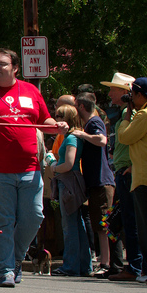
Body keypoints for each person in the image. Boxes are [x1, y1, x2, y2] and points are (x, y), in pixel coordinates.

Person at [0, 48, 65, 288]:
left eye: (3, 64)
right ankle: (5, 269)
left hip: (29, 168)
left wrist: (56, 125)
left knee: (34, 215)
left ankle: (16, 258)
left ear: (15, 68)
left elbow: (44, 121)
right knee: (2, 220)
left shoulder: (31, 91)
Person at [115, 77, 147, 287]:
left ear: (138, 94)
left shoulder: (146, 114)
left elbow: (124, 137)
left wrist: (127, 115)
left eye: (132, 96)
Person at [100, 73, 143, 281]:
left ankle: (135, 266)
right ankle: (135, 265)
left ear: (125, 92)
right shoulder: (125, 113)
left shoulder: (131, 114)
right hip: (123, 170)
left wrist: (134, 165)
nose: (109, 93)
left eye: (113, 89)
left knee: (131, 221)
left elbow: (141, 139)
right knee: (127, 220)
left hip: (128, 171)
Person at [73, 92, 117, 276]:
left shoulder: (94, 122)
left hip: (102, 181)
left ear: (82, 107)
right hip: (95, 181)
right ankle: (107, 262)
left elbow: (102, 140)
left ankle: (107, 263)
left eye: (76, 107)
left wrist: (83, 135)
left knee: (104, 224)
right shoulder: (90, 123)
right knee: (100, 225)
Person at [49, 104, 92, 277]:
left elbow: (68, 164)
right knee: (77, 224)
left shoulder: (71, 138)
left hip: (69, 181)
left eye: (59, 116)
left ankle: (71, 266)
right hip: (71, 181)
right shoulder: (71, 136)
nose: (56, 119)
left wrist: (53, 167)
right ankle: (83, 265)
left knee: (69, 226)